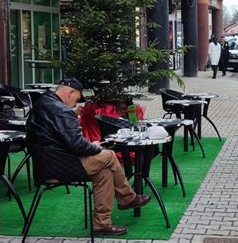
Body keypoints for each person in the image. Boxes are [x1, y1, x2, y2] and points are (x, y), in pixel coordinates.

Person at [26, 78, 151, 236]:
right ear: (70, 92)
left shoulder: (43, 103)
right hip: (60, 166)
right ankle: (127, 198)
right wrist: (93, 146)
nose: (75, 105)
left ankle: (102, 224)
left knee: (104, 173)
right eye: (77, 99)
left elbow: (64, 140)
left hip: (47, 165)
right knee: (109, 155)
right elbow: (78, 145)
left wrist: (88, 144)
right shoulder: (61, 110)